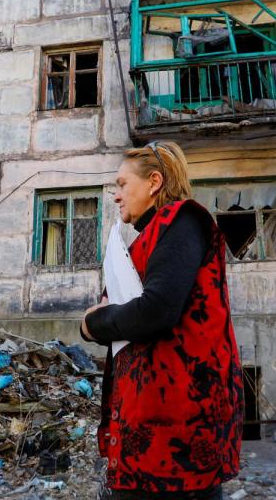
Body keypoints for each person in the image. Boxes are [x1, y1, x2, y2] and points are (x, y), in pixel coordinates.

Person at [82, 141, 243, 500]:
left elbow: (156, 310)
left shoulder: (183, 220)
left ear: (154, 182)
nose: (116, 195)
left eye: (122, 184)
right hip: (152, 423)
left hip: (179, 428)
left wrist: (93, 324)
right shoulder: (146, 240)